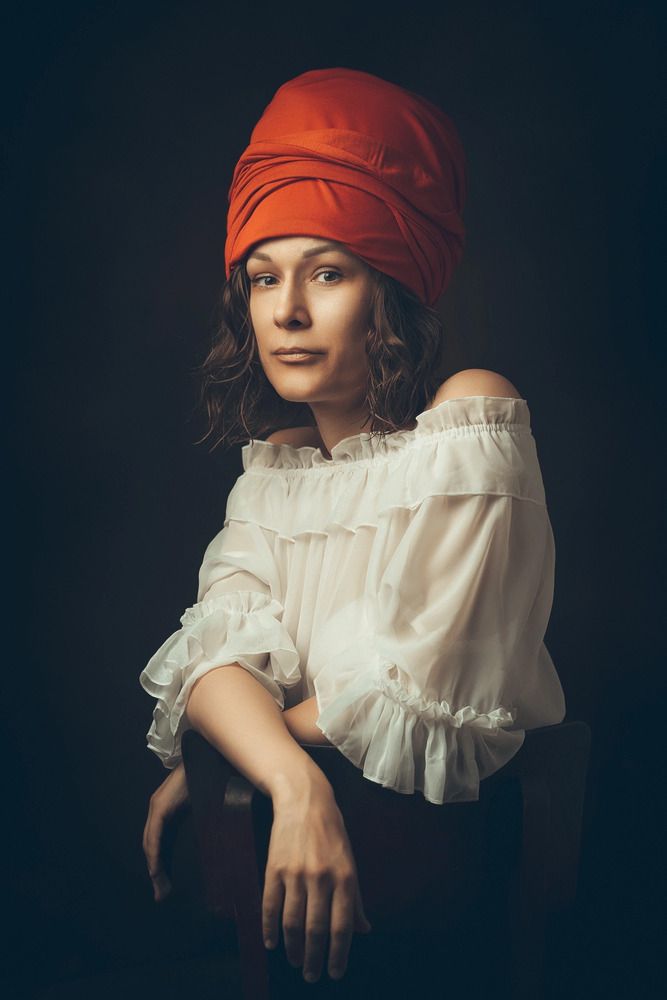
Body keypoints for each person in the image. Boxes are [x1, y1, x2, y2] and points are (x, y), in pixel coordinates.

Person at [139, 67, 567, 990]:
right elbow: (212, 657)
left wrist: (231, 754)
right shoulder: (275, 477)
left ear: (392, 291)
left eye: (327, 273)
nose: (286, 312)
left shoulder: (468, 423)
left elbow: (415, 682)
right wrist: (287, 784)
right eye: (263, 278)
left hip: (445, 912)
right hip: (289, 920)